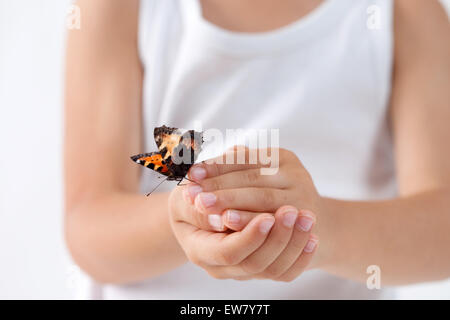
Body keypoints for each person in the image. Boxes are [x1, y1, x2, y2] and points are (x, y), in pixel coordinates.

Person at [64, 0, 450, 299]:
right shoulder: (121, 9)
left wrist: (319, 227)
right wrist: (185, 218)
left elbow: (440, 231)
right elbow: (88, 226)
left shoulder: (402, 11)